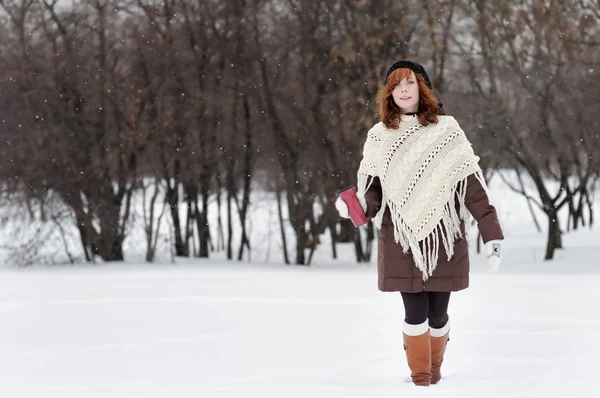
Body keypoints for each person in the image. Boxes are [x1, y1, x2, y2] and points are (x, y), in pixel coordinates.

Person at [335, 59, 504, 386]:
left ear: (421, 87)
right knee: (414, 314)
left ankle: (435, 372)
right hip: (401, 238)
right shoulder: (380, 135)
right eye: (395, 84)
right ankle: (420, 380)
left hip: (444, 237)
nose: (402, 89)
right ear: (389, 92)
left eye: (409, 82)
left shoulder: (447, 130)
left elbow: (471, 186)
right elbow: (374, 193)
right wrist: (356, 207)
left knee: (438, 315)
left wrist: (491, 233)